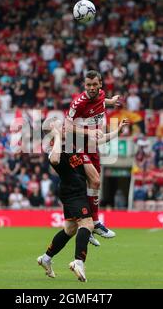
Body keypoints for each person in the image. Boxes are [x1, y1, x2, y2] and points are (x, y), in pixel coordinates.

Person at [64, 70, 121, 246]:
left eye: (94, 84)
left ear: (100, 84)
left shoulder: (101, 95)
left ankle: (88, 225)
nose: (91, 88)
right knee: (93, 181)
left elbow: (100, 100)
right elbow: (66, 126)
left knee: (95, 184)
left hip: (92, 146)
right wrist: (89, 131)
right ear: (84, 85)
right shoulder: (78, 103)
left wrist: (110, 101)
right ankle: (93, 222)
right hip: (77, 146)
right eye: (88, 85)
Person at [37, 122, 94, 282]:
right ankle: (78, 261)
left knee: (70, 229)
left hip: (75, 189)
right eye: (58, 126)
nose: (62, 128)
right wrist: (55, 135)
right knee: (87, 224)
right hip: (73, 192)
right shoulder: (53, 146)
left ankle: (46, 258)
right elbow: (55, 160)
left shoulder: (68, 143)